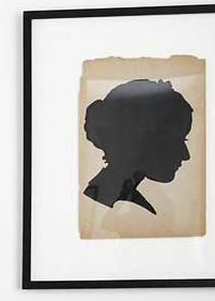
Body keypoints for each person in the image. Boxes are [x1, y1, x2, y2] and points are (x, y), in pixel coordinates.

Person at [83, 78, 193, 215]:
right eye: (176, 141)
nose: (185, 155)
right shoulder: (121, 208)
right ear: (140, 140)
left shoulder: (107, 194)